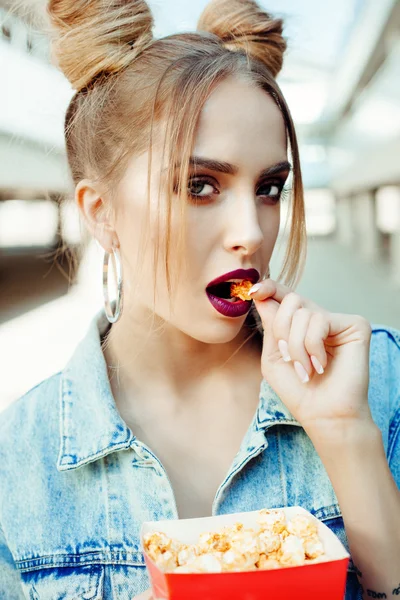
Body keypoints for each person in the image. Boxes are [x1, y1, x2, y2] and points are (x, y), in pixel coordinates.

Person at [1, 0, 399, 598]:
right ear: (101, 213)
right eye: (199, 186)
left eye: (269, 188)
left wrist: (346, 437)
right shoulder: (18, 462)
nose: (251, 230)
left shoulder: (378, 380)